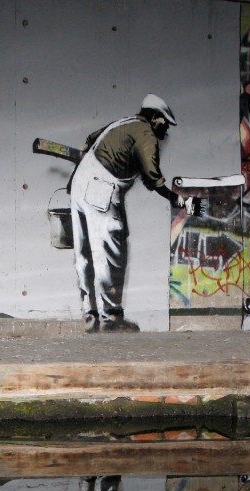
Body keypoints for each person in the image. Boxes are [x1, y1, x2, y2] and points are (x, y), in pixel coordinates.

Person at [69, 94, 195, 333]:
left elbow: (89, 140)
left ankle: (90, 314)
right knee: (111, 255)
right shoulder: (145, 133)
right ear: (155, 118)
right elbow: (153, 178)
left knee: (84, 253)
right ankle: (110, 319)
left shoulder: (122, 123)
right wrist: (178, 200)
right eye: (165, 123)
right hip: (101, 188)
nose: (166, 129)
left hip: (80, 184)